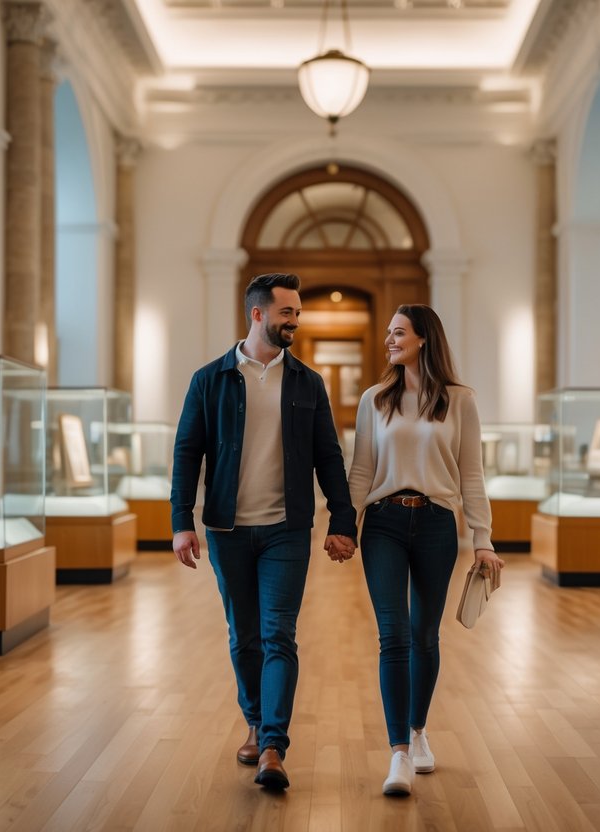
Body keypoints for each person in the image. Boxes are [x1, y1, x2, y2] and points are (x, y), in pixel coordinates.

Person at [171, 272, 358, 791]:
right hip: (228, 530)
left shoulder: (307, 382)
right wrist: (180, 522)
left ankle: (273, 744)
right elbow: (187, 452)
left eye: (297, 312)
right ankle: (254, 721)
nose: (294, 320)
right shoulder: (209, 379)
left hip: (286, 531)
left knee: (279, 634)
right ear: (257, 314)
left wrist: (343, 521)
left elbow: (328, 456)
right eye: (287, 312)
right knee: (244, 637)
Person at [348, 303, 504, 797]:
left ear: (423, 339)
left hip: (438, 524)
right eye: (389, 333)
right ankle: (397, 754)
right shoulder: (375, 399)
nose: (389, 340)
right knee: (392, 634)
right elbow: (360, 473)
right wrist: (343, 528)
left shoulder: (461, 401)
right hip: (384, 524)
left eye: (398, 333)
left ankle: (418, 731)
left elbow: (471, 474)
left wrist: (483, 539)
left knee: (424, 634)